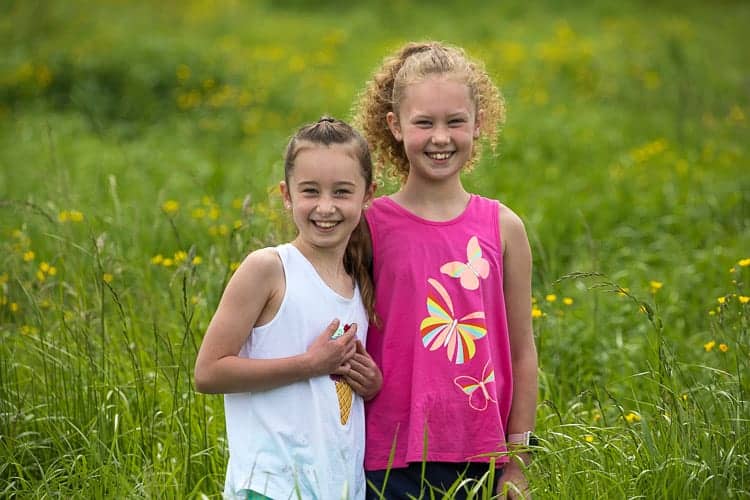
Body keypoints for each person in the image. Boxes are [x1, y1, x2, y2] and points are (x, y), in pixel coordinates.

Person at [354, 41, 538, 499]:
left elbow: (521, 352)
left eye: (455, 121)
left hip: (481, 452)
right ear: (395, 127)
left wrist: (518, 460)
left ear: (479, 124)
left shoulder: (503, 227)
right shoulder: (368, 226)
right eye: (424, 123)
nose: (441, 137)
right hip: (385, 454)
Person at [194, 117, 382, 500]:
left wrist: (372, 385)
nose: (325, 207)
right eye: (310, 191)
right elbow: (208, 372)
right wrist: (309, 365)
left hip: (338, 488)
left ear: (367, 195)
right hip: (271, 486)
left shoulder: (358, 282)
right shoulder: (269, 269)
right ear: (287, 194)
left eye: (342, 192)